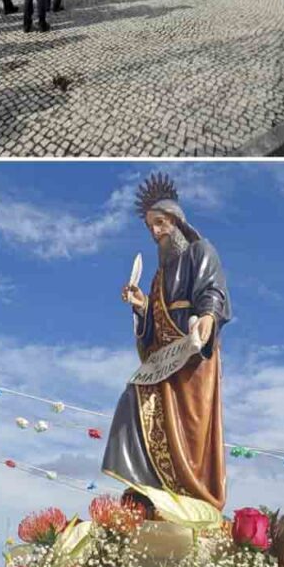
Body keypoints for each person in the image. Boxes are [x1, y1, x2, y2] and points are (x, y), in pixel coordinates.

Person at [103, 173, 232, 507]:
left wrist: (207, 316)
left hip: (192, 352)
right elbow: (155, 322)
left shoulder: (199, 251)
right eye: (150, 227)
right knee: (133, 398)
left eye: (159, 223)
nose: (155, 232)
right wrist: (142, 307)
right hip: (164, 358)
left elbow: (212, 290)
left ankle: (189, 492)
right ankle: (147, 489)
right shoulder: (159, 275)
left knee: (190, 430)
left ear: (175, 221)